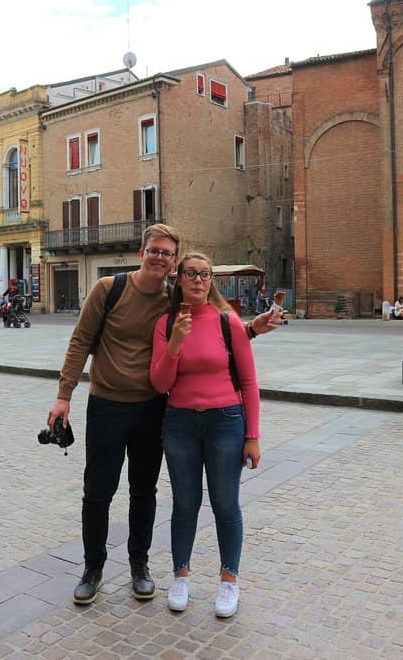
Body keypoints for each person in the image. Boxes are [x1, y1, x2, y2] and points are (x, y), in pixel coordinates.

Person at [47, 223, 282, 607]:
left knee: (144, 491)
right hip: (107, 403)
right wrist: (63, 396)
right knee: (98, 491)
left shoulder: (174, 300)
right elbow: (80, 342)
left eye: (167, 253)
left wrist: (252, 329)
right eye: (154, 250)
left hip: (153, 407)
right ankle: (93, 569)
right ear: (142, 253)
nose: (160, 257)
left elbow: (216, 325)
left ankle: (139, 566)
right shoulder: (109, 289)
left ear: (174, 262)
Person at [150, 253, 259, 618]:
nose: (198, 280)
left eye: (204, 274)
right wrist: (175, 345)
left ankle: (229, 580)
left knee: (226, 504)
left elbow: (248, 382)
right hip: (179, 422)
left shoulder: (228, 322)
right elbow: (160, 382)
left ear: (211, 280)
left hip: (226, 421)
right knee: (184, 503)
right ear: (178, 279)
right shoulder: (166, 323)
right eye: (190, 274)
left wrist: (253, 436)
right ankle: (180, 575)